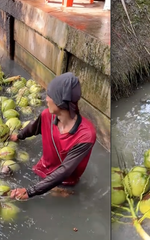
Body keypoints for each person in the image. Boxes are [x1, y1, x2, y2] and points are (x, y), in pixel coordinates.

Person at [8, 72, 97, 200]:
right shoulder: (46, 115)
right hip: (42, 168)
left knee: (63, 197)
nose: (46, 99)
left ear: (60, 102)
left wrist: (30, 191)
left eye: (49, 95)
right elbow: (33, 128)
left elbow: (65, 171)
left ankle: (59, 192)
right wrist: (18, 136)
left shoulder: (86, 135)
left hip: (64, 181)